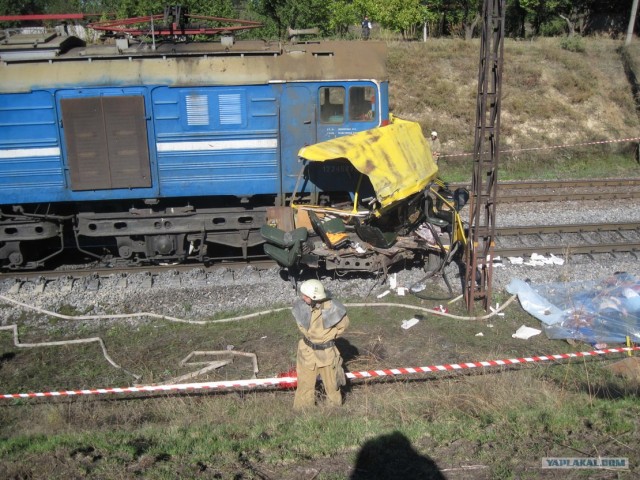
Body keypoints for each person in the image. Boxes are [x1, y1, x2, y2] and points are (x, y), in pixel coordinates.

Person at [291, 279, 349, 409]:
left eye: (305, 296)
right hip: (307, 352)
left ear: (314, 297)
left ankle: (333, 413)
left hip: (327, 354)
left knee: (332, 386)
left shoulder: (333, 308)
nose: (302, 297)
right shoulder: (302, 306)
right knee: (304, 385)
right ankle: (303, 411)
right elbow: (300, 324)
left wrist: (326, 337)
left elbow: (343, 326)